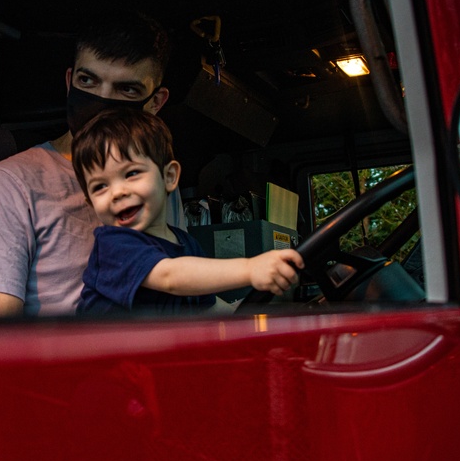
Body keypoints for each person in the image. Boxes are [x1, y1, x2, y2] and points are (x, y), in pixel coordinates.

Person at [0, 13, 174, 317]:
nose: (101, 101)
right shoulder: (9, 186)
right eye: (87, 81)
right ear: (69, 82)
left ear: (155, 104)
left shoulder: (157, 184)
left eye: (126, 90)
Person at [71, 108, 303, 315]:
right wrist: (250, 269)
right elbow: (171, 277)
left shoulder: (186, 244)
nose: (117, 192)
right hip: (106, 361)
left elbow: (207, 305)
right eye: (100, 186)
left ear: (169, 177)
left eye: (131, 174)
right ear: (90, 203)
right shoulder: (114, 246)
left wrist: (242, 319)